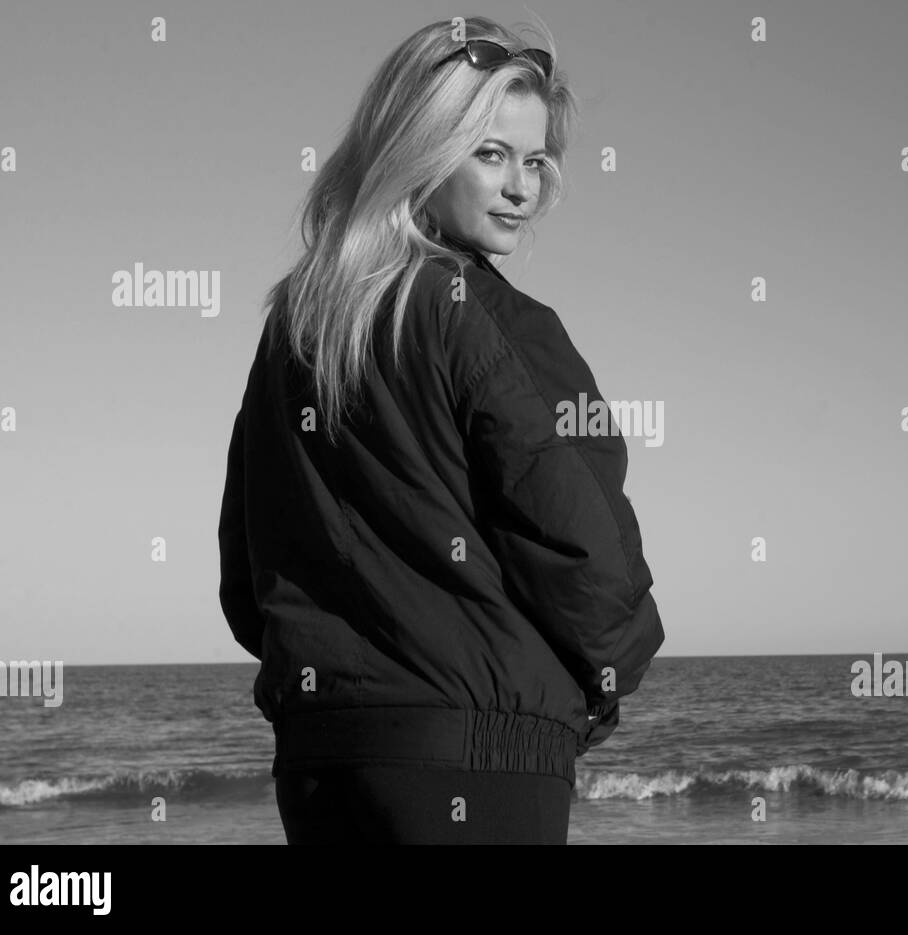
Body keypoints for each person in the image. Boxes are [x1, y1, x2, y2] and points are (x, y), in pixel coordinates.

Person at [216, 16, 665, 845]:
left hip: (319, 763)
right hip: (483, 763)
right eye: (490, 153)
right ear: (417, 149)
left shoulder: (294, 330)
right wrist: (597, 689)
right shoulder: (502, 325)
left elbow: (250, 578)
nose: (522, 187)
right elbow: (588, 556)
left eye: (536, 161)